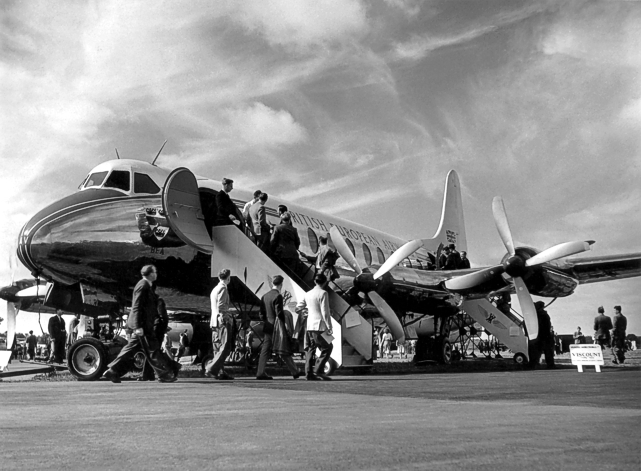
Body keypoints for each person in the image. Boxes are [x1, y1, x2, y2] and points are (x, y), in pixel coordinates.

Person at [102, 265, 176, 383]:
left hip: (144, 325)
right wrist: (137, 326)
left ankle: (112, 371)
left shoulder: (147, 286)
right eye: (155, 272)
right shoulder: (143, 285)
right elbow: (136, 306)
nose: (156, 274)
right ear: (150, 274)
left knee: (133, 348)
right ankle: (163, 374)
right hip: (142, 326)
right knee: (152, 350)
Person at [256, 275, 301, 380]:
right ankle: (294, 371)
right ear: (281, 284)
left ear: (272, 283)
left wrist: (267, 321)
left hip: (268, 325)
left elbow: (261, 314)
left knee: (265, 350)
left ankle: (260, 372)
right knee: (283, 348)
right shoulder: (278, 296)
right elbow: (279, 313)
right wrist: (284, 325)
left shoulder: (265, 296)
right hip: (277, 326)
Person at [295, 274, 334, 381]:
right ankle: (319, 369)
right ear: (325, 282)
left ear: (315, 281)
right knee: (328, 347)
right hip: (319, 325)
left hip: (309, 325)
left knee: (310, 349)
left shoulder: (308, 293)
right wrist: (329, 326)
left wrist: (305, 311)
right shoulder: (323, 293)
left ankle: (309, 373)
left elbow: (298, 307)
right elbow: (325, 311)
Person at [204, 268, 235, 380]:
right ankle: (211, 368)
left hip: (214, 321)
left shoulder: (215, 289)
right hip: (221, 321)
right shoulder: (223, 289)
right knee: (225, 346)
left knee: (217, 347)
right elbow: (221, 307)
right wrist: (227, 318)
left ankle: (220, 372)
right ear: (228, 278)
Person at [528, 301, 555, 369]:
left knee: (536, 352)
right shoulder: (544, 314)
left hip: (538, 336)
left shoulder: (535, 315)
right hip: (545, 336)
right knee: (548, 351)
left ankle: (533, 364)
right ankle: (550, 364)